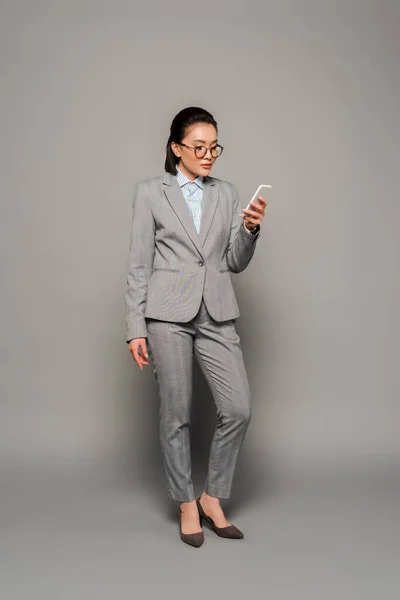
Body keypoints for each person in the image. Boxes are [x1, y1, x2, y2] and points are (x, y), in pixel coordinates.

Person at [125, 106, 267, 547]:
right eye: (199, 147)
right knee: (176, 414)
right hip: (167, 315)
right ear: (177, 148)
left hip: (218, 312)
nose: (209, 155)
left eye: (214, 147)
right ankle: (186, 502)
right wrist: (135, 326)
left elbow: (233, 262)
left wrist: (249, 229)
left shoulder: (226, 192)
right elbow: (138, 263)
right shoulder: (151, 192)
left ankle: (212, 496)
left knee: (238, 408)